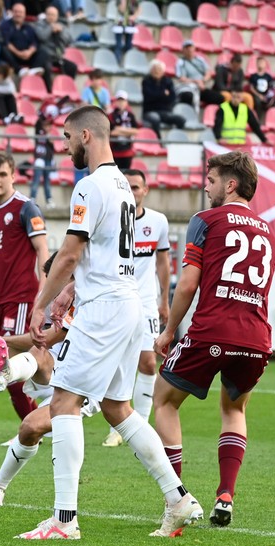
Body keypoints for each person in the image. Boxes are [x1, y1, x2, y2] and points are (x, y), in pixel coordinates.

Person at [18, 105, 201, 540]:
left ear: (86, 136)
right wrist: (66, 294)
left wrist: (42, 304)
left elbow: (71, 253)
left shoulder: (90, 186)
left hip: (103, 310)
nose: (62, 147)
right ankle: (177, 498)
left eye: (65, 137)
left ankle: (64, 521)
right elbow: (99, 255)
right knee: (119, 409)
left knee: (64, 402)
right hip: (126, 305)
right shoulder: (122, 186)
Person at [153, 151, 275, 529]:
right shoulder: (269, 230)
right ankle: (226, 495)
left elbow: (188, 282)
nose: (205, 186)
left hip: (212, 331)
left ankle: (176, 497)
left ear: (231, 184)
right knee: (235, 410)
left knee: (163, 400)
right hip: (256, 336)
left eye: (211, 180)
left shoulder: (205, 220)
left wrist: (170, 329)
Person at [0, 252, 102, 507]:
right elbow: (39, 343)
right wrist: (8, 345)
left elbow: (48, 337)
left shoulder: (88, 298)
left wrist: (4, 340)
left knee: (29, 428)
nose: (50, 283)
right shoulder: (56, 299)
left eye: (56, 276)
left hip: (82, 383)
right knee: (38, 354)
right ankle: (7, 372)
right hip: (54, 371)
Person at [0, 151, 50, 430]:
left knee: (5, 365)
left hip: (21, 297)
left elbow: (43, 250)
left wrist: (44, 293)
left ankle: (35, 428)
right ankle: (40, 423)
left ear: (13, 175)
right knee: (5, 368)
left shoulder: (26, 208)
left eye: (2, 174)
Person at [100, 169, 170, 447]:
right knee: (116, 363)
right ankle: (118, 424)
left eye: (137, 187)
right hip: (116, 298)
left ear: (146, 190)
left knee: (148, 361)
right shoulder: (112, 219)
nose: (132, 191)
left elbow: (163, 262)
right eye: (127, 186)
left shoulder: (158, 221)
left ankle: (137, 425)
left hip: (146, 301)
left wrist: (164, 299)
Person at [0, 3, 50, 87]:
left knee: (43, 52)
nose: (18, 14)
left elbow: (35, 43)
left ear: (24, 14)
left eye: (20, 12)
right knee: (3, 49)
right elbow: (6, 42)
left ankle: (32, 71)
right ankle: (20, 71)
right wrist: (18, 53)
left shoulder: (29, 27)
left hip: (27, 56)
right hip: (13, 56)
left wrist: (29, 52)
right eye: (16, 12)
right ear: (12, 13)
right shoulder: (5, 25)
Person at [141, 59, 186, 139]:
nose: (157, 71)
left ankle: (173, 138)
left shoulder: (168, 81)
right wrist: (163, 94)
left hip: (165, 112)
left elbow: (172, 98)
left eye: (159, 69)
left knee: (181, 120)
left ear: (163, 71)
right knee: (155, 119)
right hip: (150, 111)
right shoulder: (146, 81)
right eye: (154, 69)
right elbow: (149, 97)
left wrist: (157, 94)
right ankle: (159, 141)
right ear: (151, 70)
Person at [33, 6, 77, 81]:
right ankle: (49, 91)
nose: (51, 17)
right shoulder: (40, 24)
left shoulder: (62, 26)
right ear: (45, 15)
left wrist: (60, 32)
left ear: (57, 16)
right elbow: (42, 37)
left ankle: (68, 88)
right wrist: (50, 28)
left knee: (72, 67)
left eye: (53, 15)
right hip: (45, 57)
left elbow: (69, 41)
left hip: (58, 56)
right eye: (49, 14)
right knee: (47, 67)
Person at [29, 105, 57, 209]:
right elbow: (38, 121)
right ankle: (32, 198)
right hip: (39, 159)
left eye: (49, 125)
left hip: (48, 160)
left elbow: (52, 150)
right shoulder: (38, 130)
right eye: (46, 124)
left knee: (47, 181)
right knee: (36, 180)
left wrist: (50, 140)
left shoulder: (50, 136)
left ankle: (49, 200)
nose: (48, 127)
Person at [174, 40, 212, 112]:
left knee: (219, 98)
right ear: (183, 50)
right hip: (189, 88)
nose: (189, 50)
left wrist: (203, 80)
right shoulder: (180, 62)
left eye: (191, 47)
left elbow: (208, 73)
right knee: (187, 96)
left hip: (201, 87)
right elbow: (181, 78)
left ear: (194, 48)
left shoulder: (200, 60)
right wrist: (196, 82)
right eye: (187, 48)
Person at [109, 90, 140, 170]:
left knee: (126, 173)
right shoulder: (111, 116)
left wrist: (120, 129)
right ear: (115, 102)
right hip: (115, 151)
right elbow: (111, 132)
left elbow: (136, 131)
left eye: (123, 100)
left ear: (126, 102)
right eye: (119, 100)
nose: (121, 103)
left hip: (127, 151)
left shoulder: (131, 115)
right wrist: (128, 132)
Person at [248, 57, 275, 122]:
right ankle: (257, 120)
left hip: (266, 95)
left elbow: (272, 89)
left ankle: (272, 121)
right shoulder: (253, 76)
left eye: (262, 62)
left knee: (274, 103)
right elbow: (251, 88)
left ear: (265, 64)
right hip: (257, 95)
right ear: (256, 64)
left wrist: (270, 98)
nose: (260, 64)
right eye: (259, 62)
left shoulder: (268, 76)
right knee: (257, 102)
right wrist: (259, 95)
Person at [112, 0, 139, 64]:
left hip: (130, 24)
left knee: (129, 45)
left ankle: (128, 62)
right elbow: (121, 9)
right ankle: (117, 62)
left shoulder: (134, 1)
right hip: (119, 22)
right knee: (118, 45)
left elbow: (139, 9)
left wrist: (134, 16)